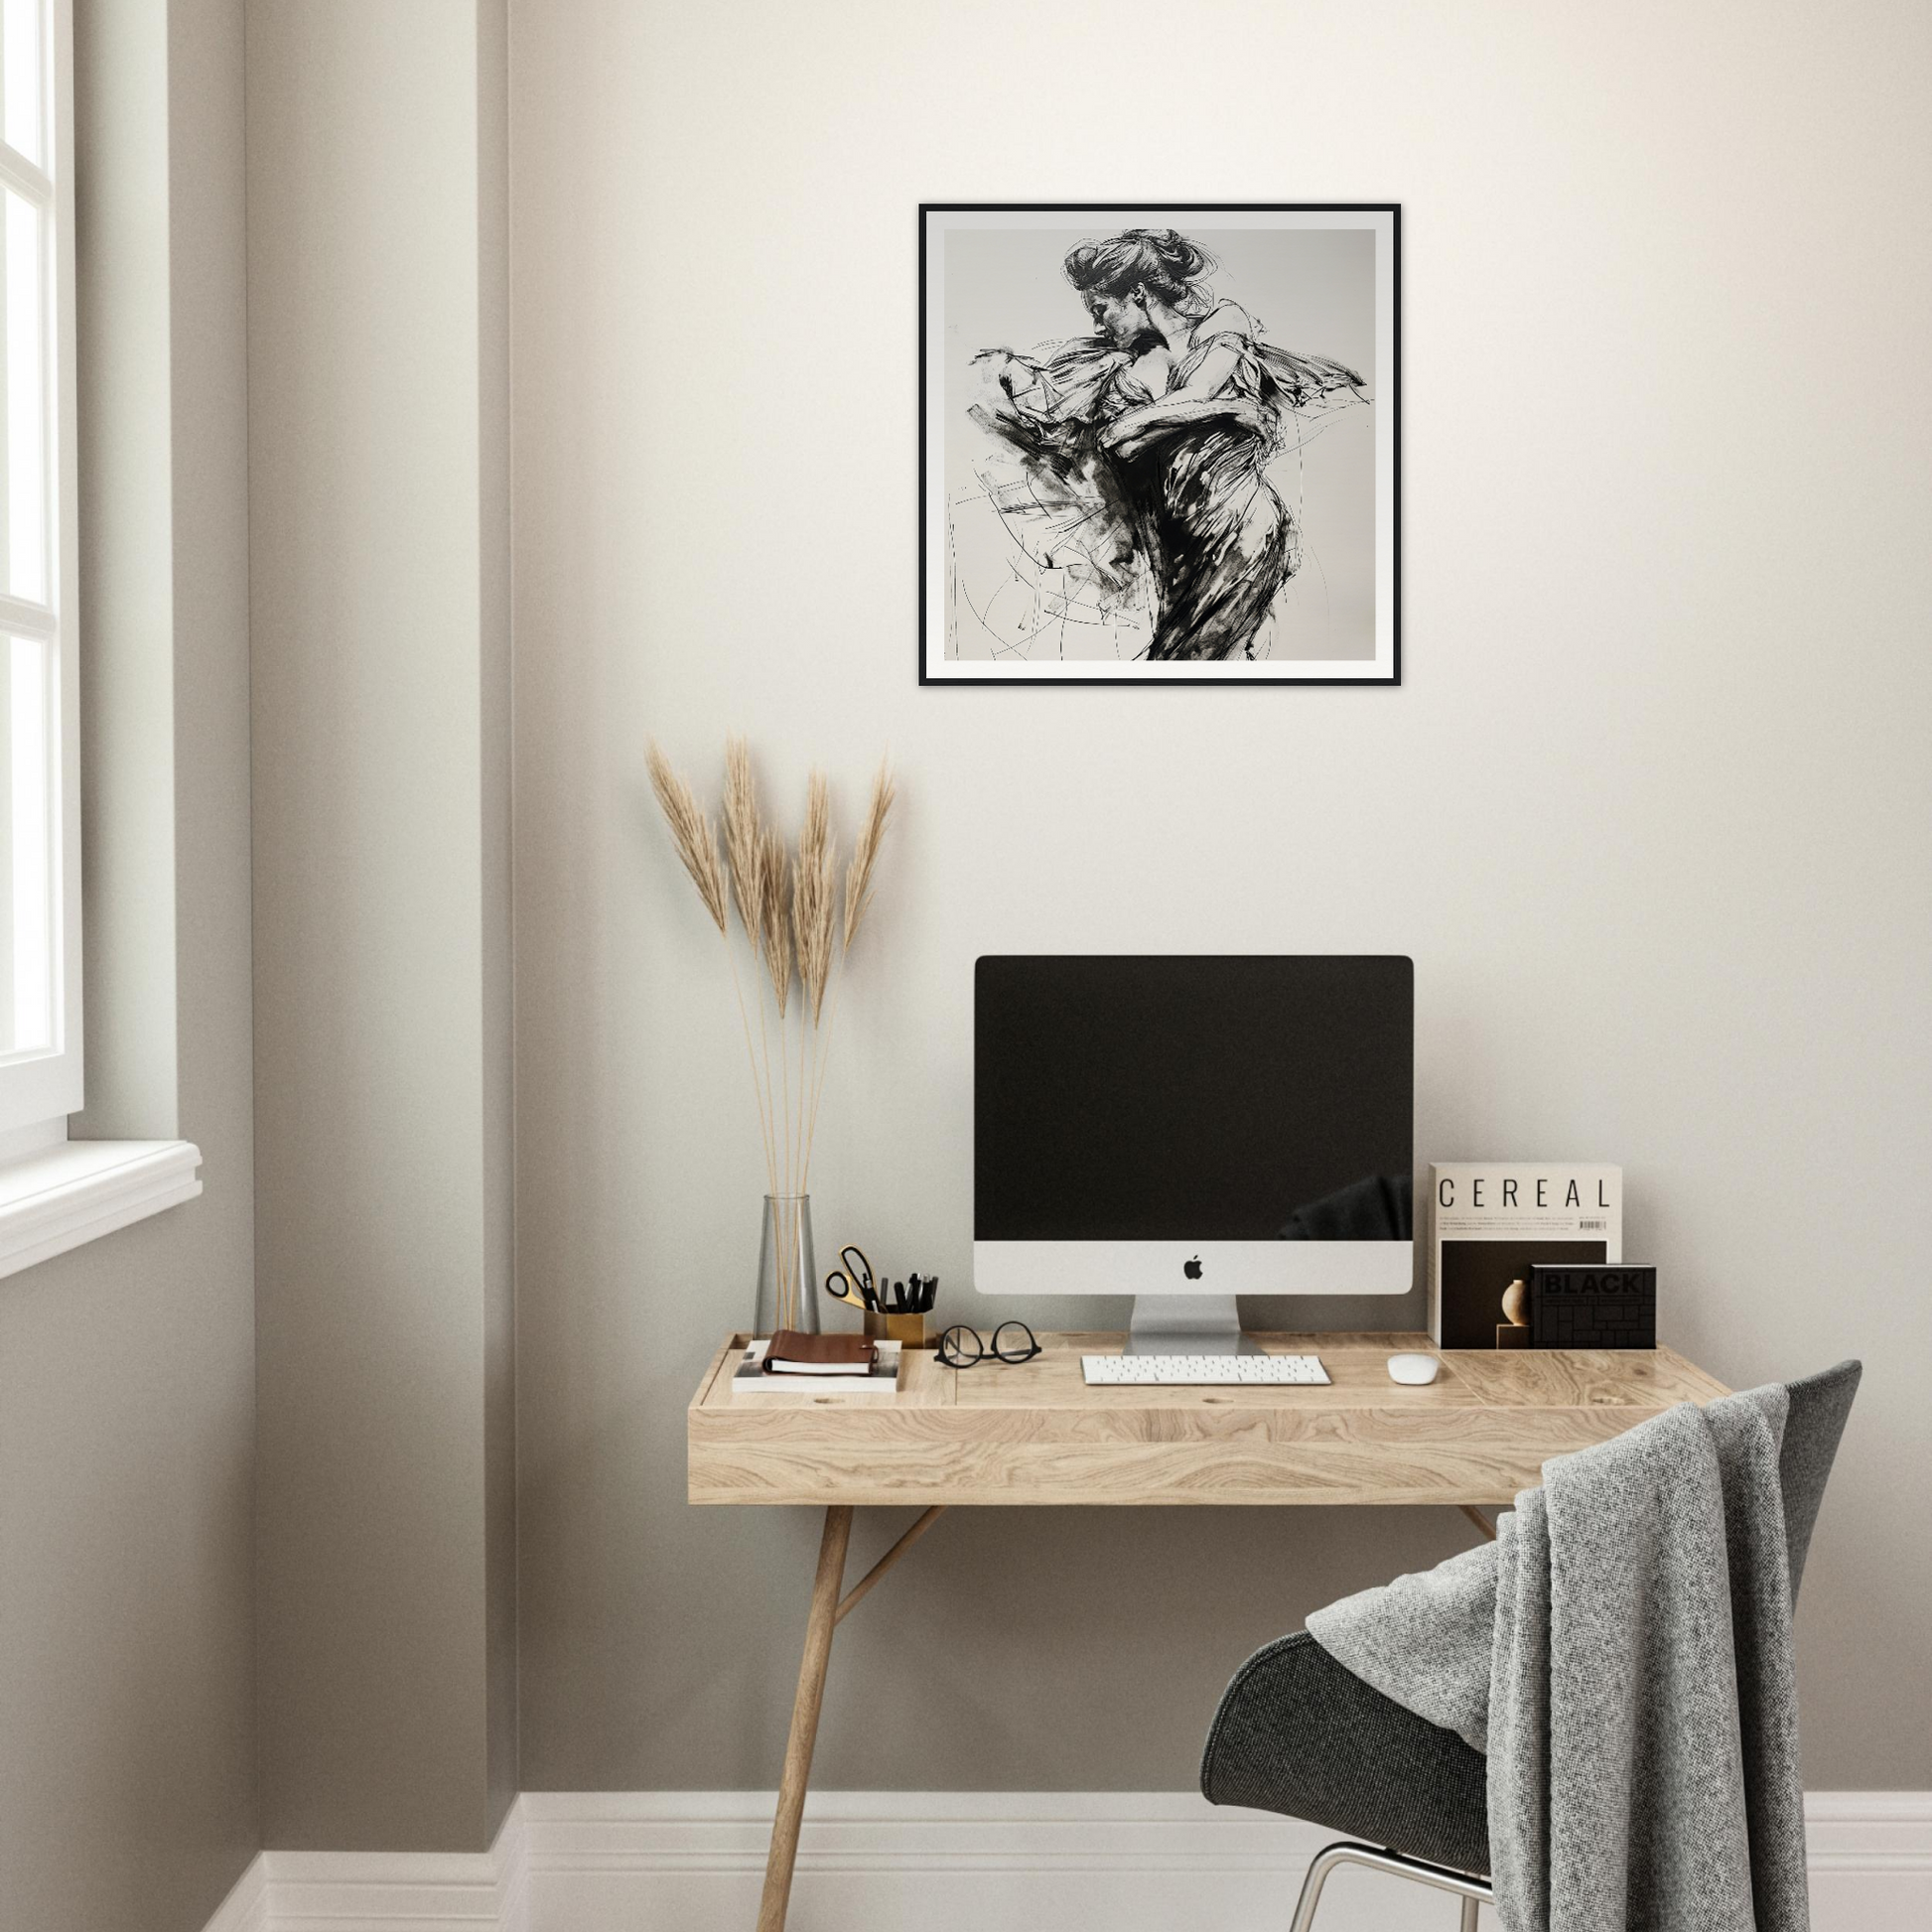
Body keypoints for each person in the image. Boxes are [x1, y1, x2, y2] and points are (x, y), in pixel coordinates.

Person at [971, 229, 1364, 662]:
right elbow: (1116, 444)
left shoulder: (1223, 321)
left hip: (1242, 522)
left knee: (1188, 663)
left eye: (1102, 309)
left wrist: (1151, 419)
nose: (1098, 325)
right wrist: (1230, 410)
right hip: (1174, 540)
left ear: (1138, 294)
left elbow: (1198, 389)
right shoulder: (1125, 369)